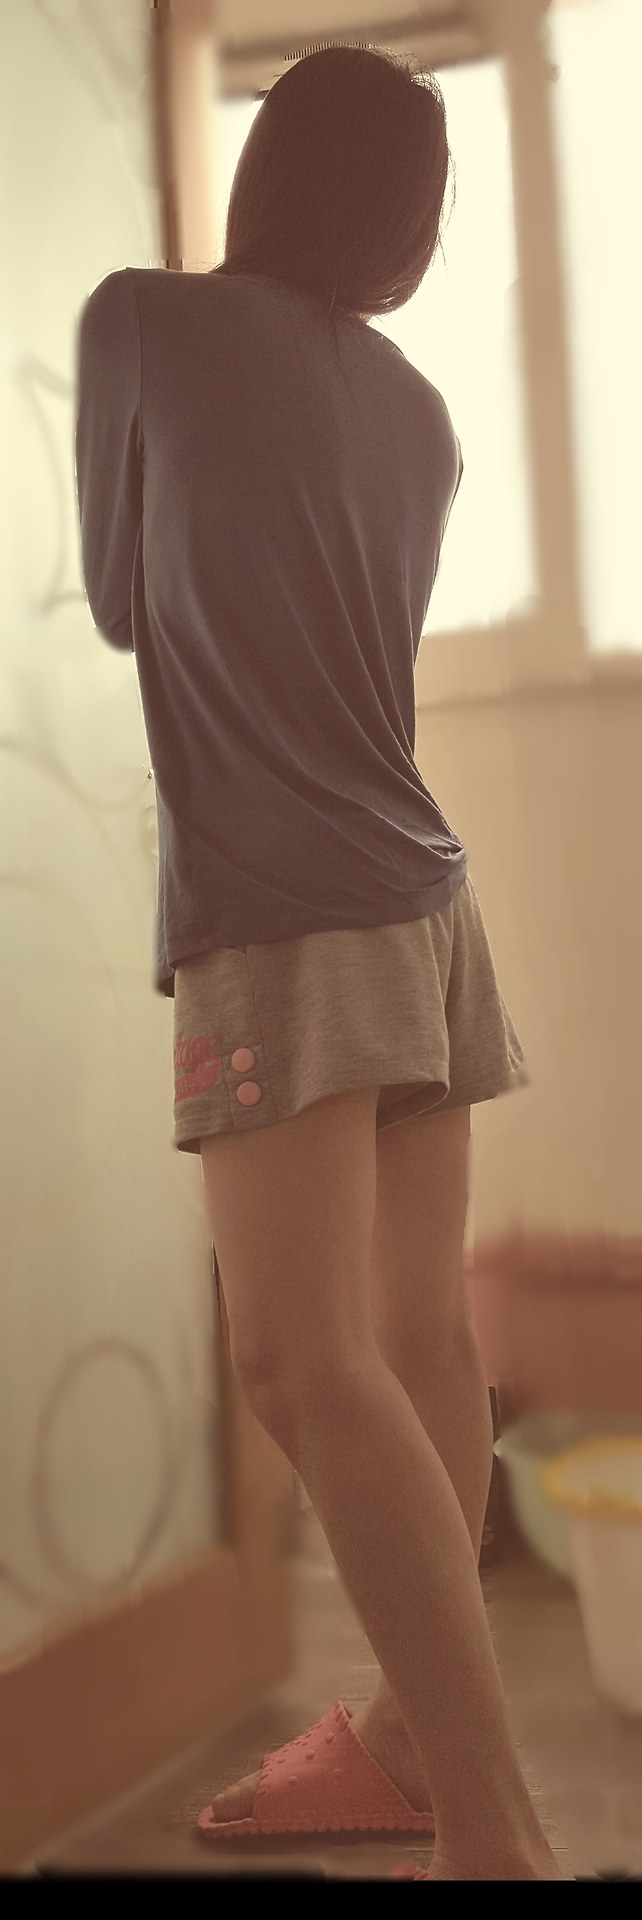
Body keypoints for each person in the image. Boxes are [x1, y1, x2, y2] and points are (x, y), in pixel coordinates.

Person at [75, 43, 564, 1882]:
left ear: (267, 174)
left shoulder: (142, 320)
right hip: (427, 905)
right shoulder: (423, 418)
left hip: (279, 908)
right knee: (421, 1341)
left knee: (298, 1361)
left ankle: (495, 1835)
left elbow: (121, 599)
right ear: (403, 233)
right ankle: (425, 1754)